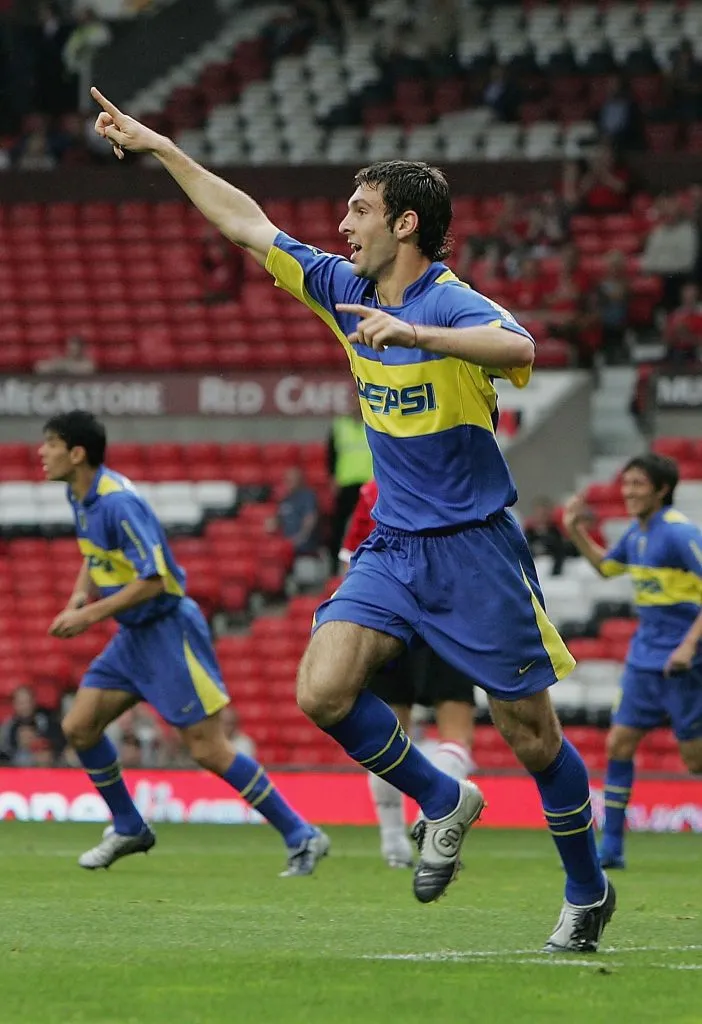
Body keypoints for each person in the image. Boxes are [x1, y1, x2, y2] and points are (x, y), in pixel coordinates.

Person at [90, 87, 615, 952]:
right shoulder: (340, 289)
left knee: (531, 734)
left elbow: (520, 348)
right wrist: (159, 148)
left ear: (406, 224)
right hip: (394, 545)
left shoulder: (447, 304)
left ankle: (588, 890)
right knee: (321, 690)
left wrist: (419, 339)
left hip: (475, 548)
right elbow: (250, 225)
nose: (343, 224)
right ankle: (444, 798)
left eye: (360, 209)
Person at [40, 409, 328, 875]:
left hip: (168, 630)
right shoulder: (82, 497)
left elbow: (155, 580)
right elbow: (97, 555)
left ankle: (302, 834)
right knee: (79, 727)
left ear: (77, 453)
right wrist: (79, 594)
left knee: (208, 748)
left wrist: (89, 615)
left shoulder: (117, 502)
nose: (41, 453)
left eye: (50, 444)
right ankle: (130, 826)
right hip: (132, 635)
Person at [562, 453, 702, 870]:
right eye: (626, 484)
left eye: (638, 484)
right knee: (618, 744)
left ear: (661, 489)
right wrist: (575, 530)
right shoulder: (637, 533)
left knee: (695, 760)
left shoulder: (679, 533)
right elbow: (607, 568)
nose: (628, 491)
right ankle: (612, 850)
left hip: (683, 662)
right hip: (644, 658)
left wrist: (689, 646)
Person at [339, 478, 476, 869]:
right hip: (445, 617)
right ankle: (433, 819)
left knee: (387, 735)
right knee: (456, 731)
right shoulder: (456, 484)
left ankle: (393, 843)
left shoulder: (372, 489)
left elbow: (352, 560)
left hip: (386, 617)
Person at [327, 405, 373, 561]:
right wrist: (333, 478)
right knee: (339, 527)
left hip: (370, 485)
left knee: (371, 525)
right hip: (345, 483)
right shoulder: (340, 426)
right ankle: (335, 564)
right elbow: (331, 454)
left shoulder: (374, 423)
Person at [1, 684, 63, 764]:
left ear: (34, 702)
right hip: (15, 770)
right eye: (21, 703)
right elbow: (3, 754)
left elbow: (59, 745)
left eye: (28, 702)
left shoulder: (49, 722)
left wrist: (40, 743)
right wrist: (17, 743)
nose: (25, 707)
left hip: (45, 769)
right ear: (14, 704)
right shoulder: (7, 727)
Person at [276, 466, 320, 556]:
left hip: (303, 549)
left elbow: (310, 519)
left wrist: (299, 538)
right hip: (286, 548)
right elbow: (279, 520)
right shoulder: (285, 499)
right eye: (287, 480)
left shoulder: (307, 496)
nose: (288, 483)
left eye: (292, 480)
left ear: (300, 480)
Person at [523, 497, 569, 577]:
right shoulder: (528, 533)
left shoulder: (555, 533)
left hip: (551, 573)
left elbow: (560, 553)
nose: (541, 516)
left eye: (544, 513)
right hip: (533, 571)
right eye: (538, 513)